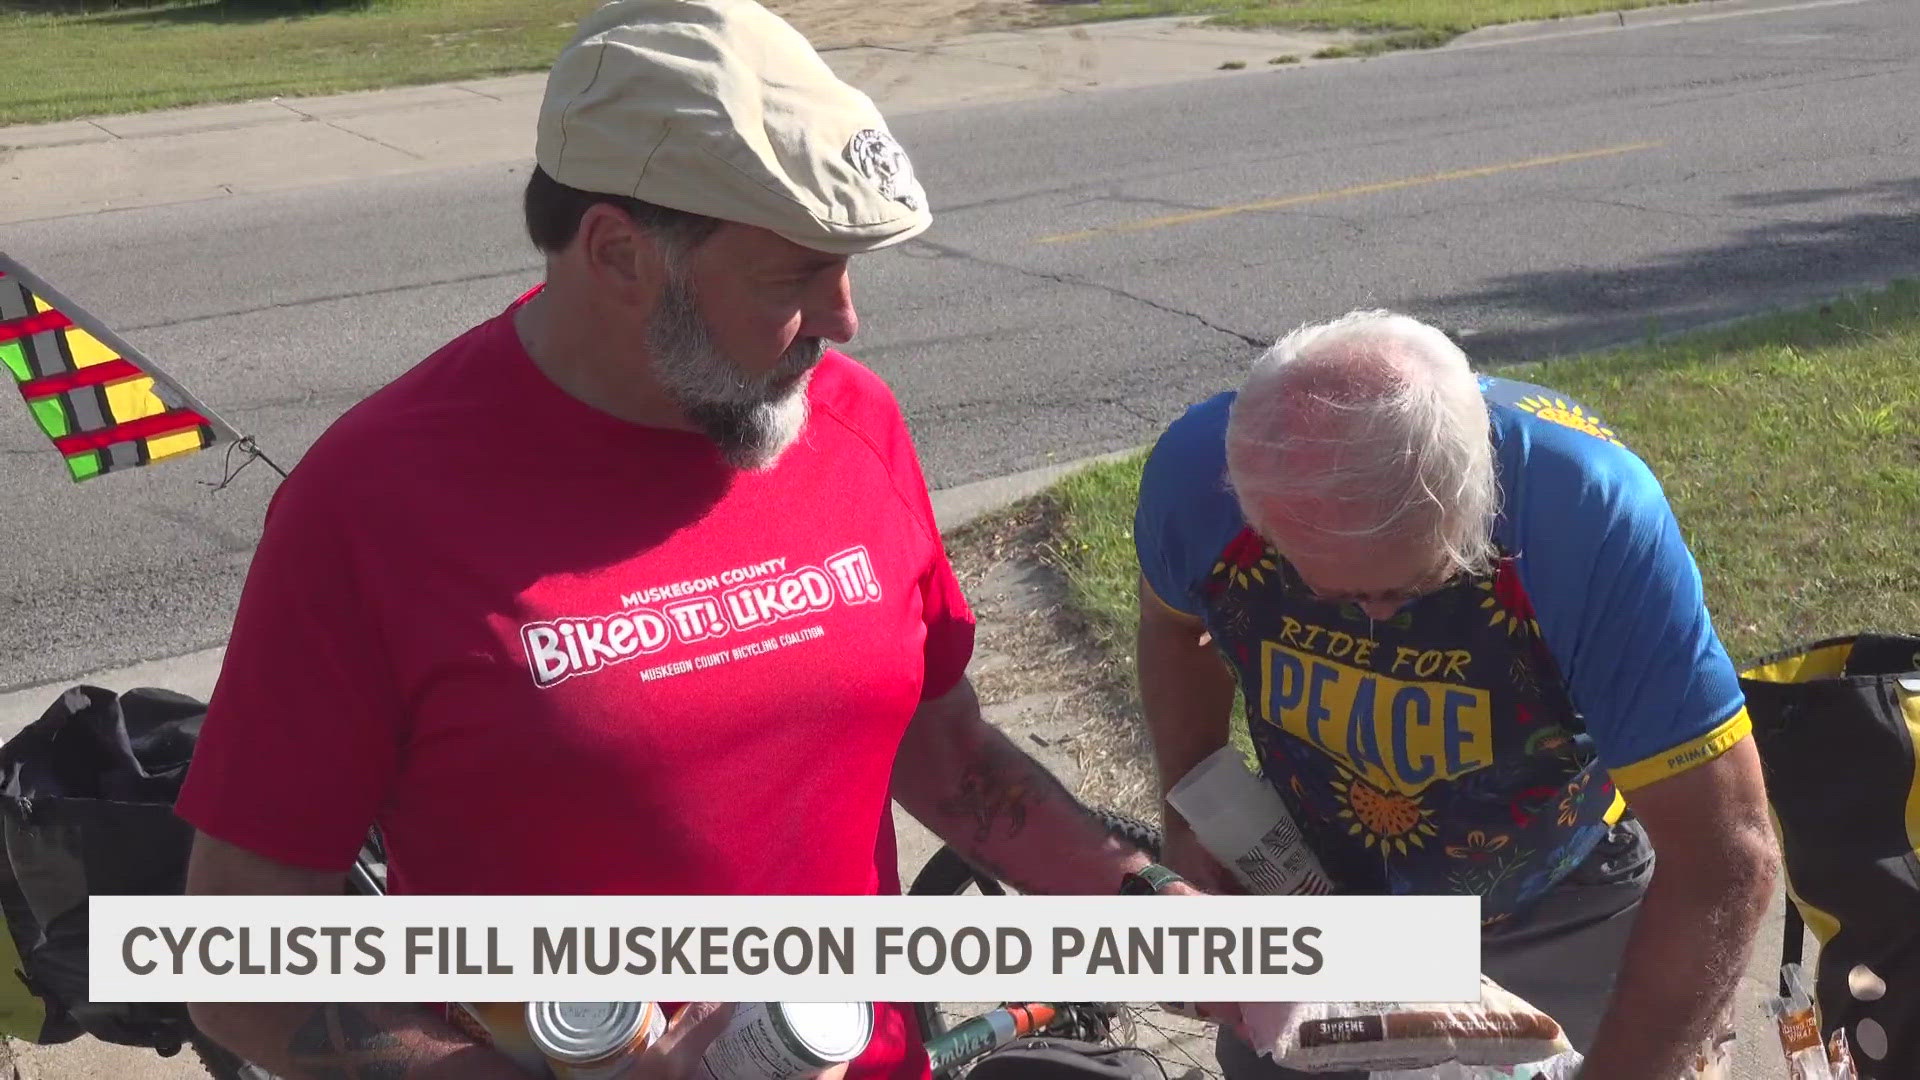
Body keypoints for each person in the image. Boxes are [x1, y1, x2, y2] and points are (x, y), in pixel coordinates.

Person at [175, 4, 1192, 1079]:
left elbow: (942, 753)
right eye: (793, 278)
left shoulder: (851, 423)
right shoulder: (371, 503)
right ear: (619, 252)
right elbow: (240, 968)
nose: (844, 320)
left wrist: (1165, 916)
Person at [1131, 310, 1779, 1080]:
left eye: (1409, 588)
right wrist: (1188, 810)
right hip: (1324, 892)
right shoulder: (1200, 477)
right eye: (1334, 590)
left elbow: (1724, 858)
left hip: (1555, 897)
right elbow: (1176, 631)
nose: (1375, 619)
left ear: (1481, 499)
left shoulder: (1584, 514)